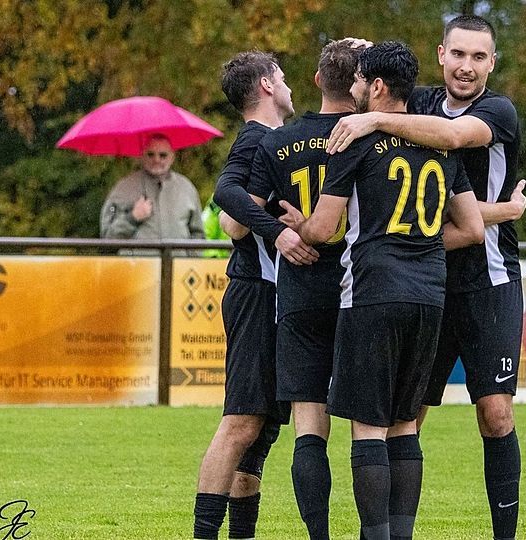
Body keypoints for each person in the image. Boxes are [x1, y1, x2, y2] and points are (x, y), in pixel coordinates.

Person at [326, 16, 526, 539]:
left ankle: (504, 533)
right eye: (458, 54)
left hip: (488, 278)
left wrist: (373, 121)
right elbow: (389, 90)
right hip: (425, 280)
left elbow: (455, 137)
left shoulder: (496, 110)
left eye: (479, 57)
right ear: (441, 55)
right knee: (404, 416)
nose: (467, 66)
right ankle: (392, 530)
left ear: (492, 63)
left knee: (495, 413)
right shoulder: (419, 104)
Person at [280, 41, 484, 540]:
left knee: (368, 428)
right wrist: (421, 244)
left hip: (372, 292)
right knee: (404, 426)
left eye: (358, 82)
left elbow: (326, 227)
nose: (352, 91)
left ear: (375, 86)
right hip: (429, 294)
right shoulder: (439, 143)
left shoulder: (355, 140)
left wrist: (297, 227)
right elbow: (474, 229)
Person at [244, 37, 370, 540]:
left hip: (299, 293)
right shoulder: (367, 138)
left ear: (317, 80)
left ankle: (319, 536)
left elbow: (241, 215)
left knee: (309, 429)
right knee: (369, 431)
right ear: (360, 85)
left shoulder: (277, 143)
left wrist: (282, 226)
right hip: (357, 288)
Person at [193, 50, 305, 540]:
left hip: (273, 296)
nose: (287, 86)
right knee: (240, 422)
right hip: (256, 293)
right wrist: (276, 233)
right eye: (281, 77)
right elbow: (227, 202)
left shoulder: (275, 141)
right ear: (265, 86)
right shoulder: (259, 138)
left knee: (259, 432)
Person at [100, 134, 204, 249]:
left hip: (178, 265)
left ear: (172, 157)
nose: (156, 160)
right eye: (150, 154)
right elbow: (107, 239)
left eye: (163, 155)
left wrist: (190, 261)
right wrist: (132, 218)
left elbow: (198, 235)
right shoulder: (123, 189)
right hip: (137, 265)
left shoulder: (186, 188)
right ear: (142, 155)